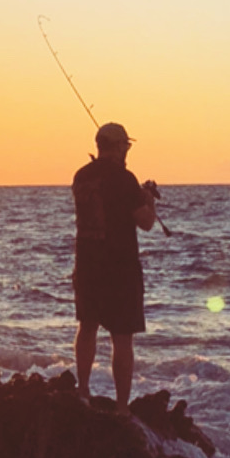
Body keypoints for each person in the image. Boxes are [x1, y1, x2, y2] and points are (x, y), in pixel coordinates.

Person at [71, 121, 157, 408]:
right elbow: (145, 223)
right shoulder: (124, 179)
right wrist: (148, 200)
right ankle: (122, 408)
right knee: (122, 338)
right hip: (119, 268)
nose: (127, 150)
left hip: (86, 264)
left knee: (87, 327)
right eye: (126, 145)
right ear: (118, 146)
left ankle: (83, 391)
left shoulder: (81, 177)